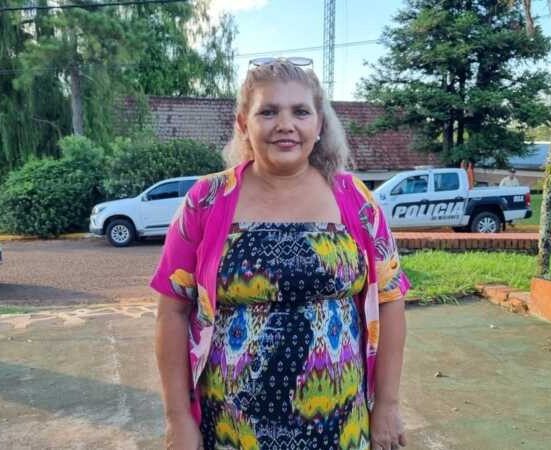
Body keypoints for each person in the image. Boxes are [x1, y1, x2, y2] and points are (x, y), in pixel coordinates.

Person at [151, 58, 411, 450]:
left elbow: (390, 300)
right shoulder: (206, 200)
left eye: (300, 112)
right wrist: (178, 419)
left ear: (319, 125)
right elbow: (171, 312)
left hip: (340, 426)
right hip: (232, 429)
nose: (285, 124)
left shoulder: (355, 199)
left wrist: (387, 405)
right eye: (268, 111)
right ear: (243, 124)